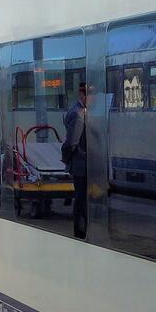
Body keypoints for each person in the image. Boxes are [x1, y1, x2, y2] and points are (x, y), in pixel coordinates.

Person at [62, 84, 89, 239]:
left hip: (82, 163)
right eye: (88, 94)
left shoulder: (82, 112)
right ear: (81, 94)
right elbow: (72, 142)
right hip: (80, 164)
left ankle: (82, 228)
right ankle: (80, 230)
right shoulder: (78, 114)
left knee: (82, 198)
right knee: (81, 198)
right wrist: (67, 158)